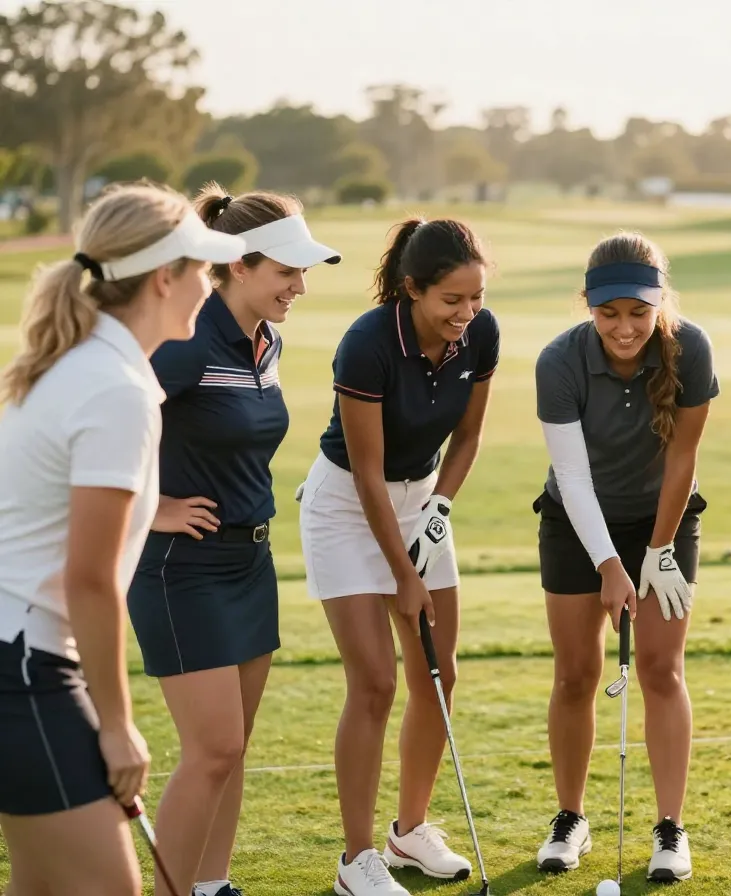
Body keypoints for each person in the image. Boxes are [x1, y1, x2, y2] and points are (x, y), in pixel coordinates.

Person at [0, 183, 246, 896]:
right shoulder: (115, 388)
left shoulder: (80, 366)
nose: (211, 282)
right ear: (165, 277)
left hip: (19, 660)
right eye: (203, 268)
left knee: (42, 886)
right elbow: (90, 579)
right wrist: (116, 725)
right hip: (22, 669)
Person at [123, 183, 340, 896]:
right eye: (287, 273)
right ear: (239, 266)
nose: (300, 287)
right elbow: (100, 424)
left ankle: (212, 885)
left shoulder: (266, 339)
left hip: (249, 559)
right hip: (180, 568)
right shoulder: (188, 341)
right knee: (212, 749)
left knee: (231, 749)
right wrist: (152, 508)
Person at [297, 217, 498, 896]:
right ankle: (358, 860)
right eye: (451, 301)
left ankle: (410, 832)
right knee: (376, 682)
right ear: (412, 289)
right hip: (348, 505)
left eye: (475, 299)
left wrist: (439, 508)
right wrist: (405, 575)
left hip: (421, 501)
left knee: (438, 674)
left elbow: (468, 438)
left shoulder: (481, 334)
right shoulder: (367, 343)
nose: (466, 315)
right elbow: (366, 469)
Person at [532, 231, 719, 883]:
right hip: (574, 521)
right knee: (577, 674)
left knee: (661, 668)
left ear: (660, 301)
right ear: (588, 305)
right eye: (608, 313)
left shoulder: (689, 347)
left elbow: (683, 458)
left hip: (661, 516)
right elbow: (573, 478)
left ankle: (670, 831)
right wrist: (611, 565)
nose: (624, 327)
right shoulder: (558, 361)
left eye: (639, 312)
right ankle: (570, 818)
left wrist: (659, 550)